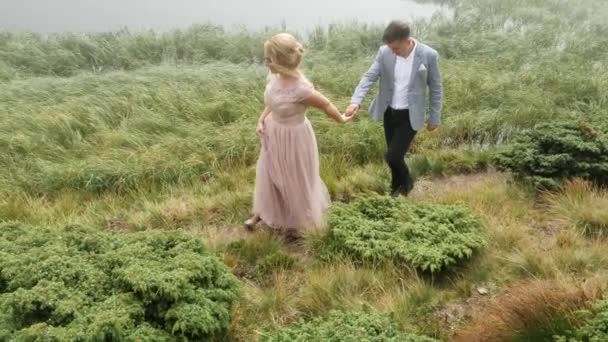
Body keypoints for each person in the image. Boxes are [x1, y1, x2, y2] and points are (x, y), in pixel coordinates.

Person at [245, 33, 353, 239]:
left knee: (294, 178)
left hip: (295, 139)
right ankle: (263, 212)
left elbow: (326, 105)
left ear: (281, 61)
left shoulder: (301, 89)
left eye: (269, 58)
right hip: (272, 134)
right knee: (270, 174)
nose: (265, 62)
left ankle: (298, 222)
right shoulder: (274, 78)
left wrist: (341, 118)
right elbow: (272, 103)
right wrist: (260, 120)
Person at [345, 20, 443, 197]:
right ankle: (396, 190)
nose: (393, 51)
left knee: (392, 156)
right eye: (390, 48)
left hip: (410, 115)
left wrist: (434, 117)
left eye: (396, 48)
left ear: (407, 41)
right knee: (394, 157)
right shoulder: (384, 53)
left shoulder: (429, 55)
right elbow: (369, 77)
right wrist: (355, 101)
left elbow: (436, 88)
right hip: (389, 112)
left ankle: (407, 183)